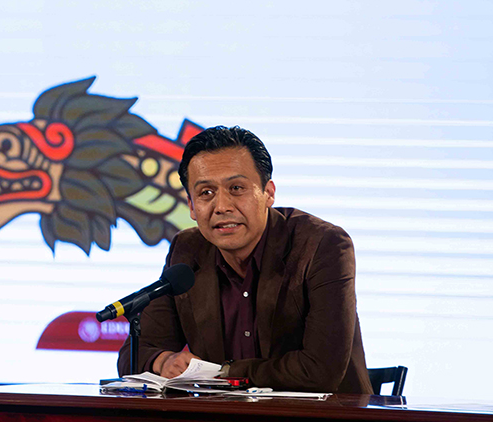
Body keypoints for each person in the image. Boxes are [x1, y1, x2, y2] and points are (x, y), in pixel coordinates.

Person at [117, 125, 372, 393]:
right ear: (191, 206)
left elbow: (321, 370)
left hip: (324, 416)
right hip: (223, 416)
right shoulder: (188, 250)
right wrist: (163, 361)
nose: (222, 206)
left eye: (237, 188)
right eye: (206, 193)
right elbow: (132, 356)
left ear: (268, 193)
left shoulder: (322, 245)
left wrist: (226, 372)